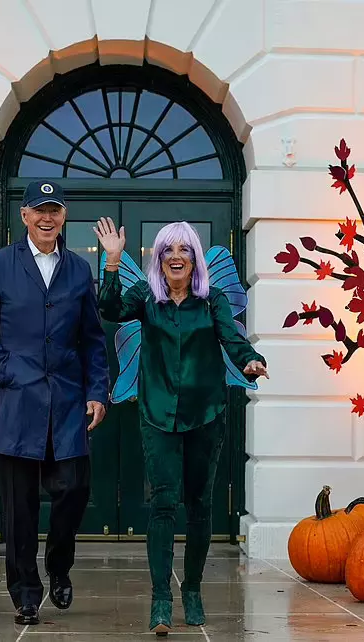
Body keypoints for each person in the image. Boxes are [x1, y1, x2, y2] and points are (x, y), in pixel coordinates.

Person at [93, 218, 268, 635]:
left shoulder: (212, 301)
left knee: (200, 505)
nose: (175, 256)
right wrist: (113, 262)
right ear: (158, 258)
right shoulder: (145, 297)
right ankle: (160, 600)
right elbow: (109, 310)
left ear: (194, 259)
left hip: (205, 414)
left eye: (184, 249)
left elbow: (232, 339)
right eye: (167, 250)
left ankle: (192, 590)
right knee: (163, 503)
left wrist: (249, 360)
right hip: (158, 415)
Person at [0, 180, 109, 626]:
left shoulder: (79, 269)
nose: (48, 218)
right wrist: (8, 369)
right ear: (24, 215)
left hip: (67, 402)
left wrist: (96, 391)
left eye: (55, 210)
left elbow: (93, 339)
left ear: (63, 217)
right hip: (18, 404)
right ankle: (25, 593)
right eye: (39, 210)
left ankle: (59, 565)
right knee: (19, 507)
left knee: (74, 490)